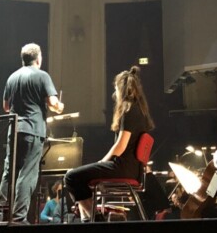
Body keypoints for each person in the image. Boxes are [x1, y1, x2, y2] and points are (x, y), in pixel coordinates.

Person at [64, 66, 154, 223]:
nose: (115, 94)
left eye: (116, 89)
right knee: (80, 177)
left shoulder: (129, 111)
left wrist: (102, 161)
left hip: (122, 168)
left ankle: (95, 220)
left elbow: (120, 146)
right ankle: (89, 219)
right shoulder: (140, 111)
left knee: (71, 176)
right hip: (133, 170)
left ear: (121, 89)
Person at [0, 43, 63, 223]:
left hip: (14, 130)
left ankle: (0, 215)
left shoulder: (12, 77)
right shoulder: (42, 76)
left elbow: (5, 106)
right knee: (27, 174)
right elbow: (53, 102)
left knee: (8, 172)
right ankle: (19, 218)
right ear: (39, 58)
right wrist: (59, 106)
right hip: (33, 130)